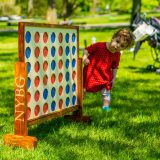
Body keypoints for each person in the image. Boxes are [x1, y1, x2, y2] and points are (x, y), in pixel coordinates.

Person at [83, 28, 135, 111]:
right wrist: (85, 58)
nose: (118, 46)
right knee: (83, 89)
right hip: (91, 72)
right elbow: (87, 49)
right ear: (113, 38)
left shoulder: (117, 54)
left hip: (104, 76)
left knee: (106, 91)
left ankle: (105, 106)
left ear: (123, 49)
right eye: (117, 42)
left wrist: (114, 78)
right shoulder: (99, 46)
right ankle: (79, 105)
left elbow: (115, 67)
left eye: (121, 46)